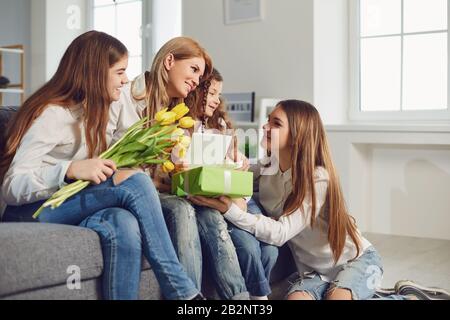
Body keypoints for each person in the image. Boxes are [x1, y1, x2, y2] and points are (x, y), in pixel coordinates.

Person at [0, 31, 202, 300]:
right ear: (95, 72)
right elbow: (11, 187)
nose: (126, 80)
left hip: (65, 205)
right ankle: (183, 293)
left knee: (124, 222)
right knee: (137, 183)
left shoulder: (95, 116)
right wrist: (69, 169)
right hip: (29, 213)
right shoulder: (53, 113)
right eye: (119, 72)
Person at [188, 99, 390, 300]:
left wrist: (229, 210)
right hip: (313, 273)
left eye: (276, 123)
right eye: (268, 121)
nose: (265, 126)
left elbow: (281, 232)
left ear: (296, 134)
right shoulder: (269, 166)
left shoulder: (318, 178)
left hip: (355, 261)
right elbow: (238, 176)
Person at [150, 68, 249, 300]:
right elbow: (156, 178)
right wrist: (181, 178)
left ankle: (239, 299)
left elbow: (226, 167)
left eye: (218, 95)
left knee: (212, 217)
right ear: (197, 93)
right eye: (212, 93)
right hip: (177, 195)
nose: (217, 100)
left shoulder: (216, 128)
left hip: (205, 198)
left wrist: (237, 161)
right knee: (195, 212)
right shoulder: (171, 123)